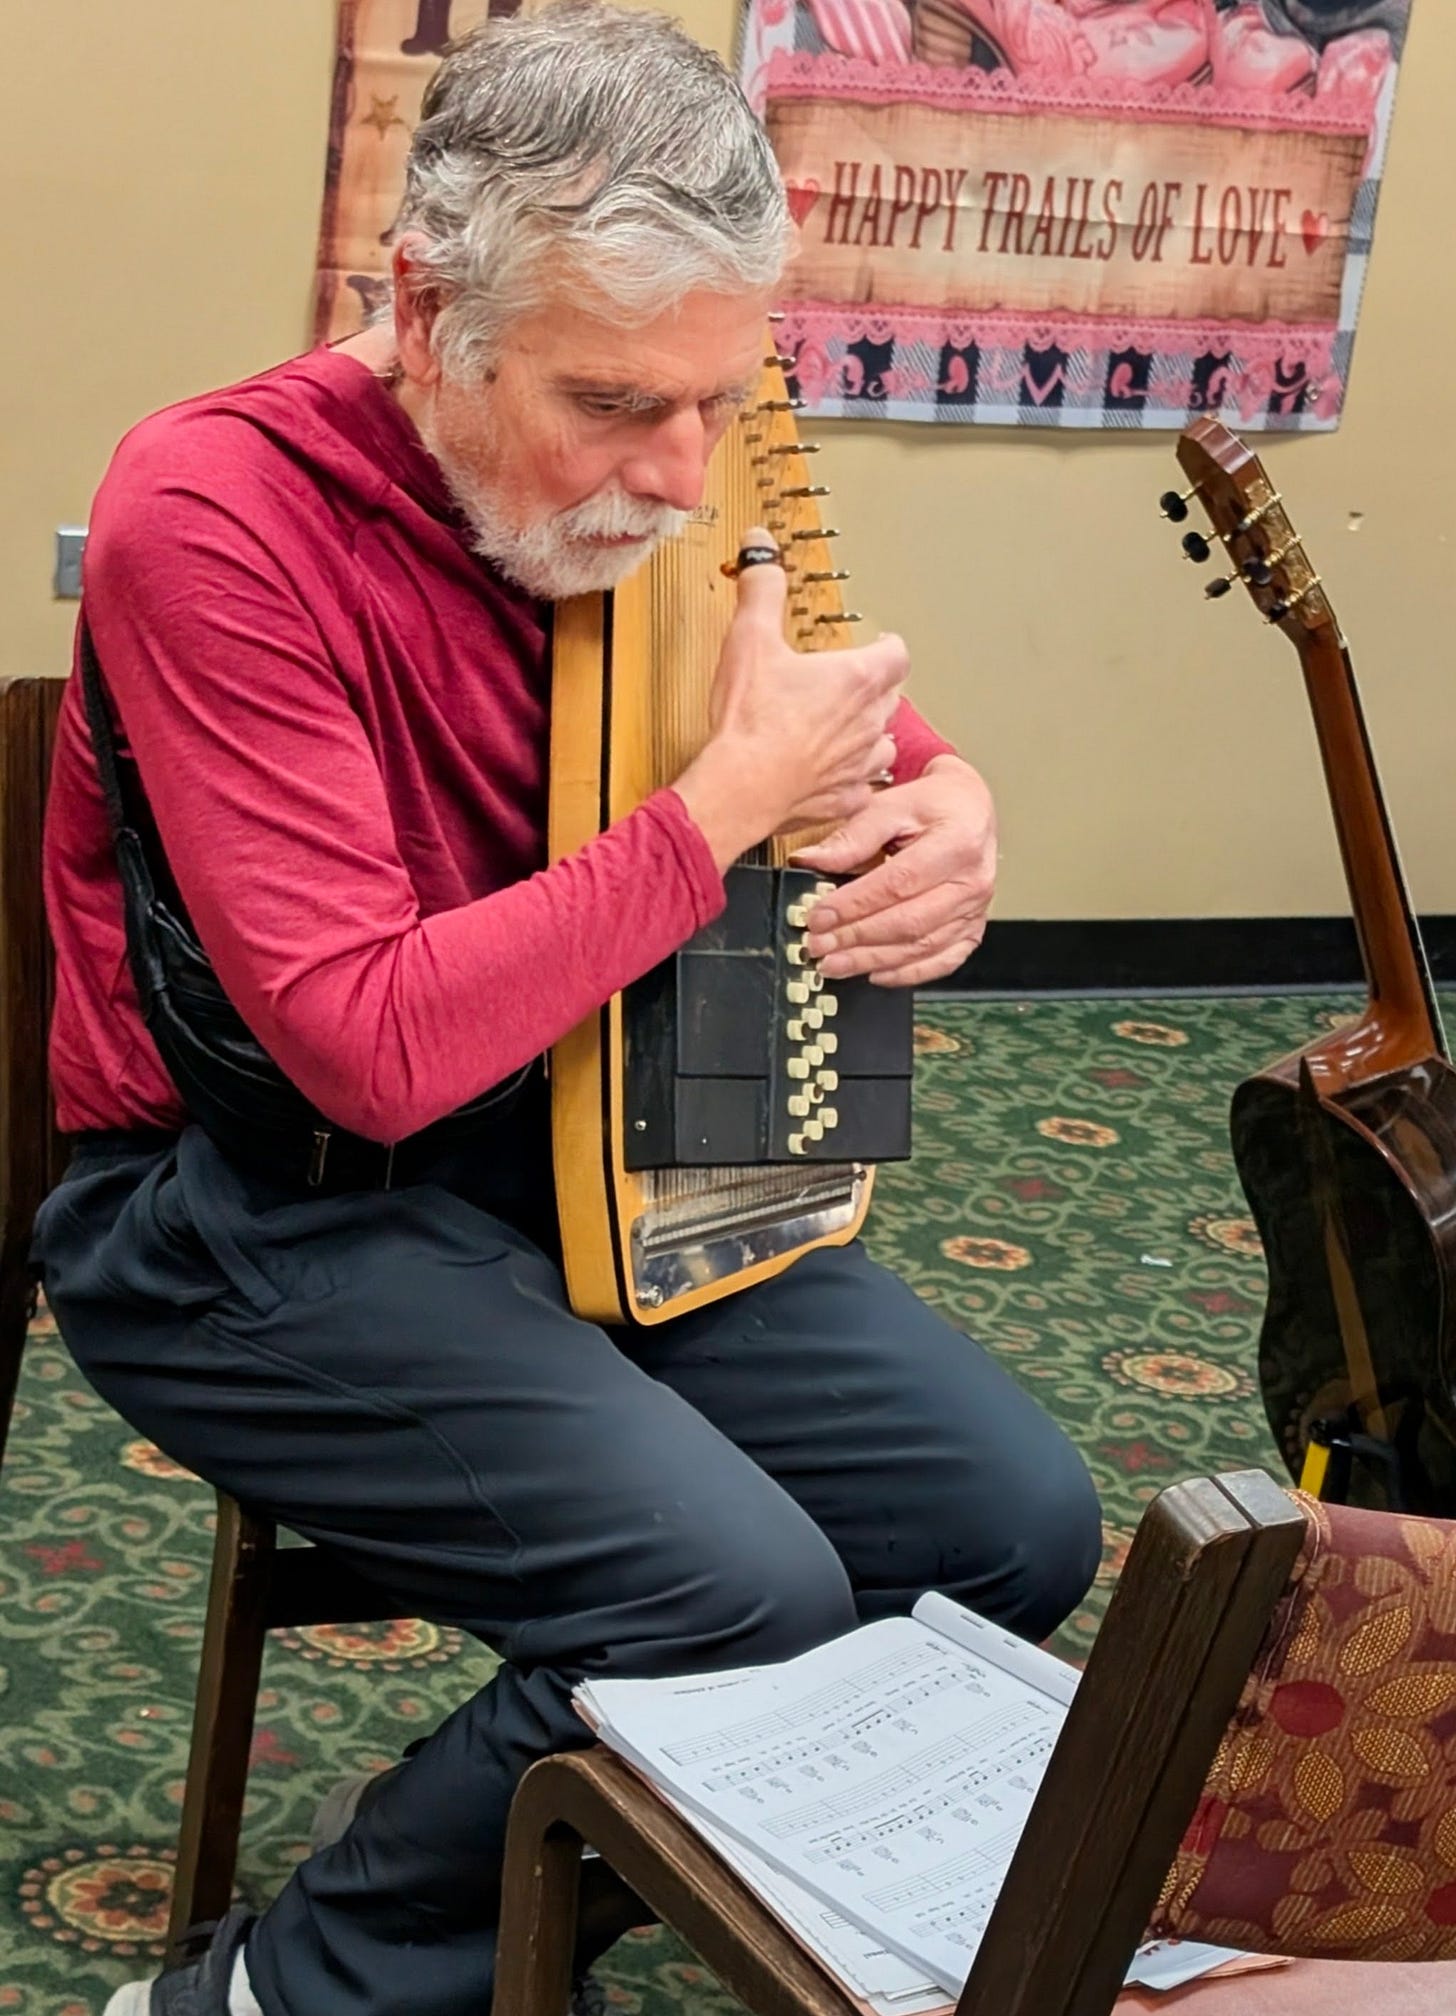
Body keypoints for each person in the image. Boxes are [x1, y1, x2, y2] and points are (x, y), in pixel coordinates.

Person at [32, 7, 1102, 2012]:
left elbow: (855, 741)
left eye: (715, 399)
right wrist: (717, 817)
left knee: (1004, 1523)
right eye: (615, 405)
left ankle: (570, 1854)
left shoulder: (657, 471)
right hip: (250, 1207)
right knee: (727, 1594)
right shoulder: (217, 511)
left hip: (585, 1157)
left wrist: (948, 815)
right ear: (426, 309)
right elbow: (360, 1037)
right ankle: (284, 1989)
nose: (681, 471)